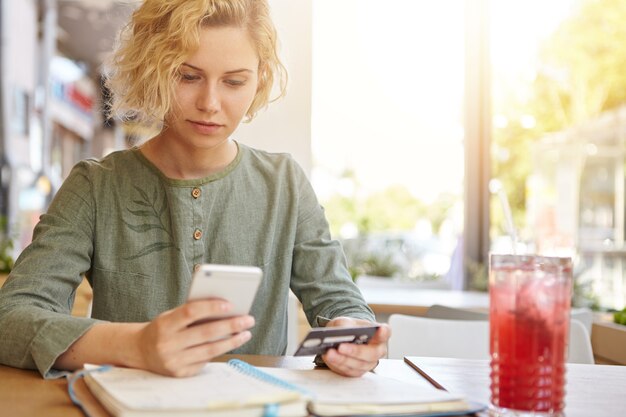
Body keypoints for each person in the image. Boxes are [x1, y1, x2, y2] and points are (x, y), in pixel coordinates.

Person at [0, 0, 389, 379]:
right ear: (152, 68)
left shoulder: (284, 183)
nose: (210, 103)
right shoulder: (96, 185)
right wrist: (133, 345)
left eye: (235, 81)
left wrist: (354, 335)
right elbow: (11, 319)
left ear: (260, 78)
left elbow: (340, 299)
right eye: (187, 76)